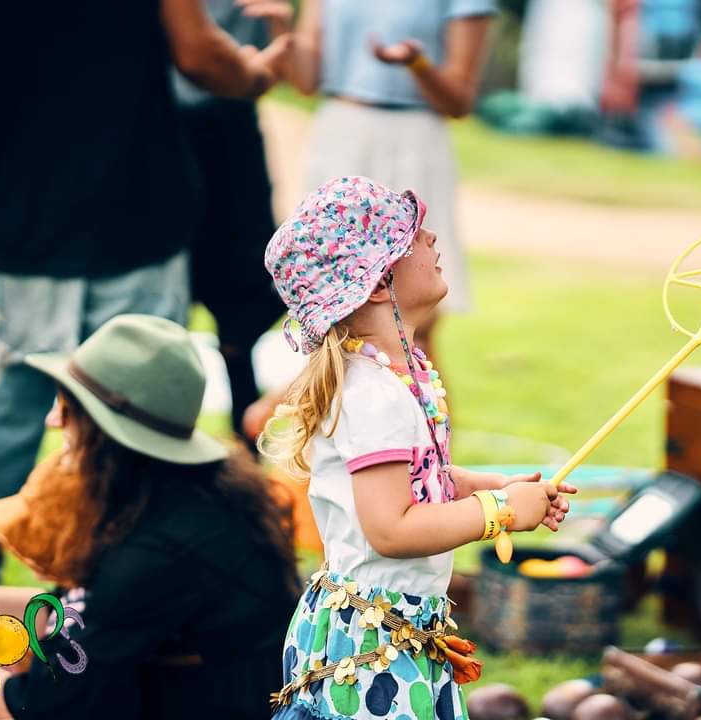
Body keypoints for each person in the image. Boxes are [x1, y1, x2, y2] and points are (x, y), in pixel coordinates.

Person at [0, 0, 290, 588]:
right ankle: (109, 636)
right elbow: (199, 55)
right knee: (139, 447)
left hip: (14, 231)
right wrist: (258, 73)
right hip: (134, 221)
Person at [258, 176, 575, 720]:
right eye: (412, 236)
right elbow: (391, 529)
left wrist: (497, 486)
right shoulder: (374, 395)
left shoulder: (402, 377)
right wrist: (496, 514)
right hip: (371, 642)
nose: (431, 238)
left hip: (398, 622)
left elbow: (424, 477)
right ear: (380, 283)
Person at [0, 314, 300, 720]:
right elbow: (68, 613)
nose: (52, 419)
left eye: (67, 408)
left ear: (103, 432)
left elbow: (38, 708)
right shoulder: (186, 500)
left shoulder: (154, 551)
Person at [237, 0, 496, 365]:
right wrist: (284, 29)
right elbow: (307, 82)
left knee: (416, 325)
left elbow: (459, 100)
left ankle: (423, 419)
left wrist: (416, 64)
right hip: (341, 133)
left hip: (414, 140)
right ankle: (294, 413)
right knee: (335, 310)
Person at [173, 0, 287, 449]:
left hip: (231, 138)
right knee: (165, 313)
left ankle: (246, 454)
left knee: (240, 313)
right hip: (169, 140)